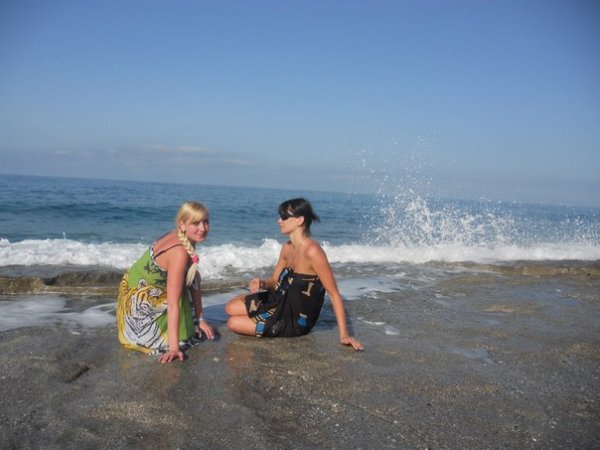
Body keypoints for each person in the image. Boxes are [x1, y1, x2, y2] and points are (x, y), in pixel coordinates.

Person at [225, 198, 363, 351]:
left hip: (295, 318)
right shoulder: (287, 247)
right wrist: (262, 283)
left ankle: (269, 320)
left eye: (284, 217)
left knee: (233, 323)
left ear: (299, 220)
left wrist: (344, 335)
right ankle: (265, 314)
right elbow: (274, 281)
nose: (279, 221)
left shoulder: (313, 251)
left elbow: (334, 294)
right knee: (230, 307)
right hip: (279, 299)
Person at [116, 201, 215, 363]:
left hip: (131, 288)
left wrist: (200, 318)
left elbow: (194, 276)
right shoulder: (179, 252)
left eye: (206, 222)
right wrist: (174, 348)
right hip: (140, 306)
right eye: (196, 223)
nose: (203, 228)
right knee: (188, 331)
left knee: (188, 280)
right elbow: (173, 303)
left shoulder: (180, 236)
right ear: (182, 225)